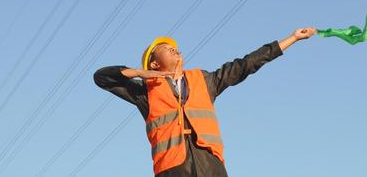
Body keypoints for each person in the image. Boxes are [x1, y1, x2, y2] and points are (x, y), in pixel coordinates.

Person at [94, 27, 316, 176]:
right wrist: (140, 74)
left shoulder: (205, 80)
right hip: (172, 170)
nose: (173, 48)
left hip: (211, 167)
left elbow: (246, 64)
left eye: (175, 47)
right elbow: (102, 78)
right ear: (153, 63)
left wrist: (293, 38)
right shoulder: (145, 93)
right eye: (164, 48)